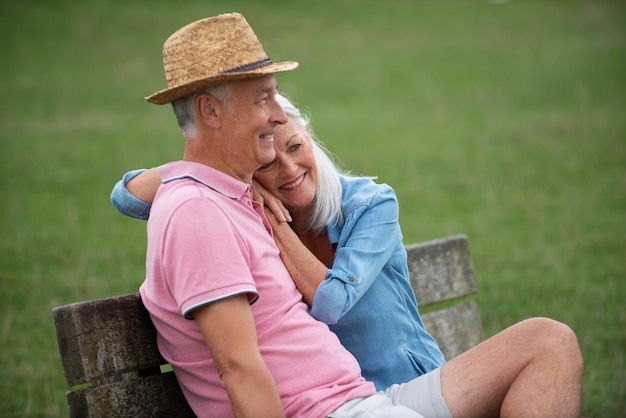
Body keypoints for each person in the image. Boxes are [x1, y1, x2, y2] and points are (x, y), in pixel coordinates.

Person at [116, 12, 583, 418]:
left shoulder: (297, 202)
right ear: (209, 111)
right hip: (341, 405)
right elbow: (238, 367)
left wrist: (244, 195)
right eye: (262, 99)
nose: (275, 114)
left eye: (278, 103)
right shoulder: (203, 209)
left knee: (549, 339)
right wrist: (197, 176)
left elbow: (324, 301)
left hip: (365, 396)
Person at [111, 92, 446, 391]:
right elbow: (127, 197)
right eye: (268, 163)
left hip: (408, 383)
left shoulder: (370, 204)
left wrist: (274, 222)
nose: (288, 170)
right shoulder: (245, 211)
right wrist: (211, 171)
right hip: (335, 399)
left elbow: (333, 302)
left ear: (310, 138)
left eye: (296, 147)